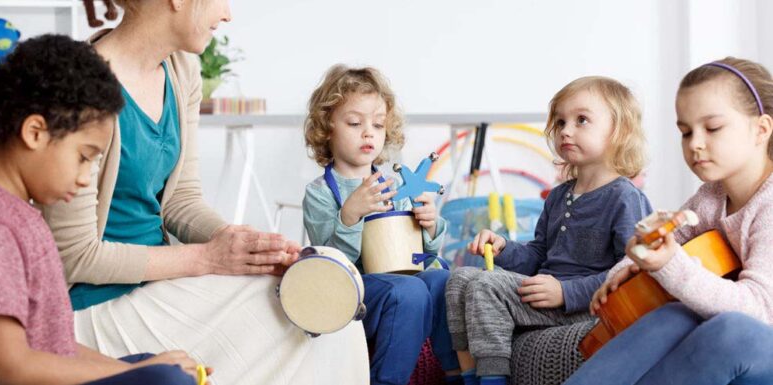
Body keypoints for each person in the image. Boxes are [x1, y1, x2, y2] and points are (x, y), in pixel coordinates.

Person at [40, 2, 369, 384]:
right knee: (304, 311)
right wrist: (207, 258)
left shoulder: (181, 70)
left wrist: (243, 245)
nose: (228, 14)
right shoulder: (77, 85)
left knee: (328, 289)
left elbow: (182, 200)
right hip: (93, 307)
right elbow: (75, 257)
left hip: (158, 287)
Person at [0, 34, 199, 385]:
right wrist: (142, 375)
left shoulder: (22, 216)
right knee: (165, 380)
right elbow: (9, 369)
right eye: (83, 158)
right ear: (35, 132)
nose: (86, 180)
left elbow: (57, 347)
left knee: (161, 368)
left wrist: (135, 369)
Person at [565, 57, 773, 385]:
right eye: (685, 132)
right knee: (676, 315)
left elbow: (761, 311)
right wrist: (628, 266)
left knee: (733, 330)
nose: (695, 144)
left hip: (758, 341)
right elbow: (663, 241)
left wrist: (668, 264)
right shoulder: (711, 197)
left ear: (761, 129)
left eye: (713, 128)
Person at [446, 76, 652, 385]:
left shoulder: (624, 197)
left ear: (618, 131)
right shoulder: (559, 195)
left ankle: (492, 380)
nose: (566, 130)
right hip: (546, 295)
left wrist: (565, 293)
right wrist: (503, 248)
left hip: (587, 306)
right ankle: (464, 375)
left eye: (582, 120)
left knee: (485, 286)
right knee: (459, 279)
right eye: (560, 122)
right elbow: (538, 256)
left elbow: (631, 273)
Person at [302, 64, 461, 385]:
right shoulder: (319, 193)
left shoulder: (394, 186)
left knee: (441, 280)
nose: (368, 133)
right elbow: (330, 266)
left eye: (377, 124)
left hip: (397, 279)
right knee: (409, 292)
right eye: (354, 123)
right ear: (327, 127)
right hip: (350, 291)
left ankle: (453, 373)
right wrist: (349, 216)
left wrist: (429, 226)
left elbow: (418, 255)